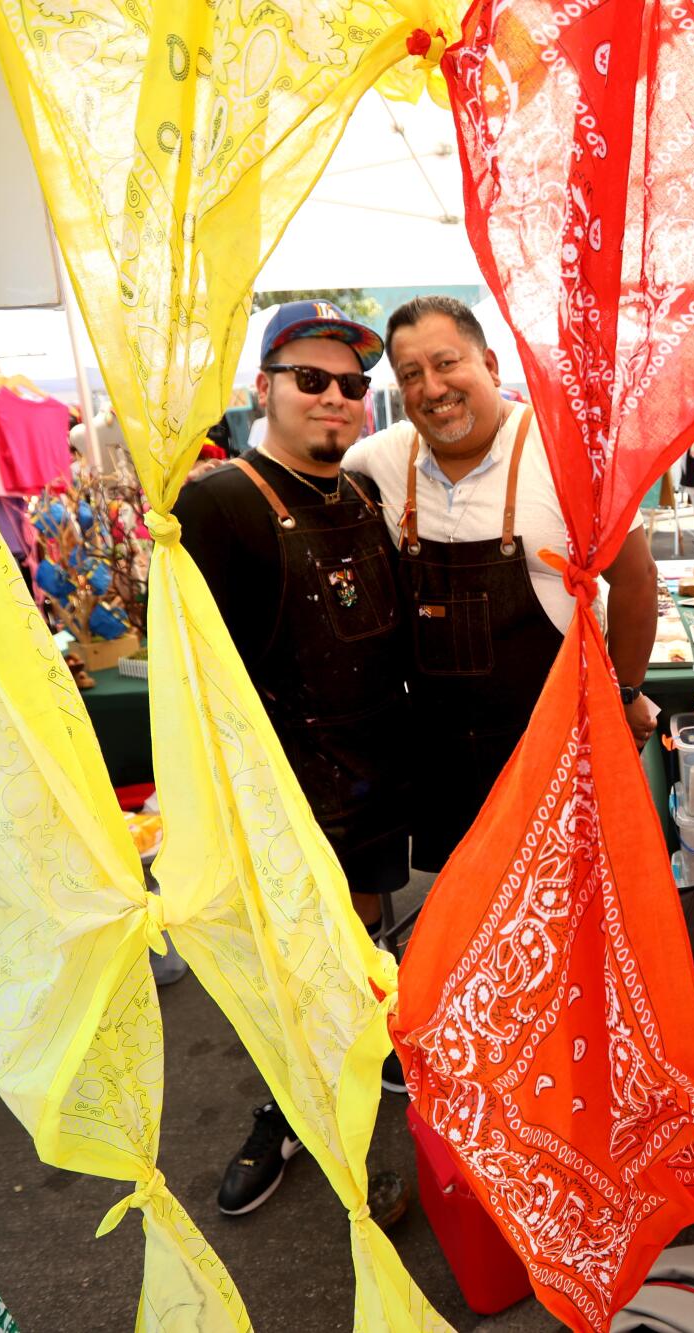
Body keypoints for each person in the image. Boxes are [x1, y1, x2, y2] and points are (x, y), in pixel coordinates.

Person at [171, 300, 411, 1219]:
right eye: (310, 379)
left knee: (361, 944)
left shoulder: (359, 494)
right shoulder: (219, 501)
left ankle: (370, 1051)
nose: (335, 399)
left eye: (352, 385)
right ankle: (282, 1115)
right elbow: (200, 681)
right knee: (290, 973)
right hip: (284, 795)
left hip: (370, 780)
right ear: (263, 387)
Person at [345, 294, 660, 875]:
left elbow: (638, 579)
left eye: (446, 364)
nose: (432, 388)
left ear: (490, 365)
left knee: (561, 904)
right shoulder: (380, 459)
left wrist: (626, 697)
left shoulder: (568, 451)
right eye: (410, 375)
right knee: (465, 912)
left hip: (555, 742)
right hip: (444, 758)